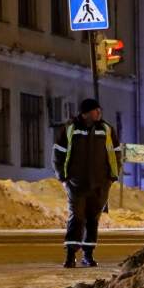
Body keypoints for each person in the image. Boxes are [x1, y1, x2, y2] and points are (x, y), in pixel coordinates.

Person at [53, 98, 122, 268]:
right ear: (85, 113)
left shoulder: (106, 129)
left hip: (100, 184)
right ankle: (70, 255)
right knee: (77, 217)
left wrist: (112, 176)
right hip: (76, 184)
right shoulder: (70, 129)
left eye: (99, 110)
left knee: (93, 219)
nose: (99, 113)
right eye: (95, 110)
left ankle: (88, 255)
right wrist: (63, 176)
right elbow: (58, 154)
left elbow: (115, 153)